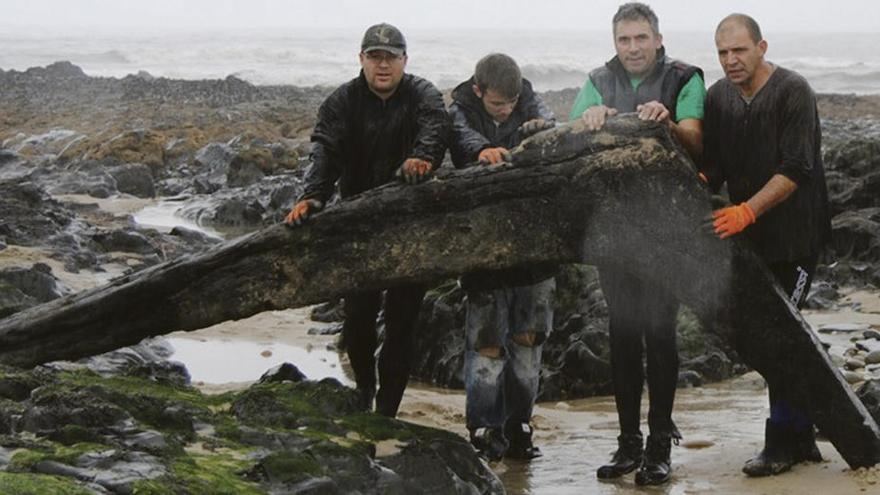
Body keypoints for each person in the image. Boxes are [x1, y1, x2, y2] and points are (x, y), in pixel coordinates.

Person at [569, 2, 706, 486]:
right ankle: (628, 443)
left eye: (640, 38)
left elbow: (696, 140)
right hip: (614, 230)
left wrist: (665, 121)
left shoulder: (685, 77)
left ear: (658, 39)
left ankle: (659, 444)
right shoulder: (597, 78)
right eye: (624, 40)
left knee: (660, 332)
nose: (632, 48)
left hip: (668, 228)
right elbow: (569, 138)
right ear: (615, 43)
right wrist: (590, 116)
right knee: (622, 334)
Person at [285, 22, 448, 418]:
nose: (383, 65)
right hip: (357, 228)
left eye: (391, 57)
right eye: (375, 56)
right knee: (357, 318)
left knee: (402, 322)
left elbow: (437, 127)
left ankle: (387, 410)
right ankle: (364, 388)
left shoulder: (422, 94)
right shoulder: (342, 101)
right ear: (361, 60)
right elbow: (324, 151)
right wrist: (311, 196)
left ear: (404, 61)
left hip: (410, 228)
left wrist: (422, 158)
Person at [701, 13, 831, 477]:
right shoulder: (718, 97)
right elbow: (713, 165)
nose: (730, 60)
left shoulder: (793, 91)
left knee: (779, 332)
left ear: (762, 47)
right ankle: (801, 434)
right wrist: (696, 181)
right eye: (722, 52)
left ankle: (781, 443)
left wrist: (748, 210)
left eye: (739, 50)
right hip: (750, 241)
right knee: (779, 335)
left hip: (796, 238)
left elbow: (797, 169)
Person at [448, 53, 557, 461]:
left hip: (534, 250)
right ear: (478, 91)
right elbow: (460, 137)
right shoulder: (459, 107)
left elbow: (551, 127)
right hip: (484, 250)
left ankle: (519, 425)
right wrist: (484, 150)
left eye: (511, 103)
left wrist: (541, 128)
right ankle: (483, 427)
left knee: (529, 340)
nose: (507, 109)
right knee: (487, 343)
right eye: (498, 104)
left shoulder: (528, 99)